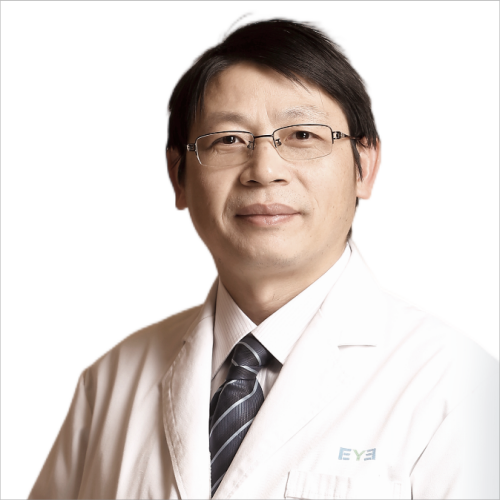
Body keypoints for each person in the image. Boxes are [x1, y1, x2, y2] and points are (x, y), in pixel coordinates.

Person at [29, 19, 498, 500]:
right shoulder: (111, 382)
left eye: (303, 135)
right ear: (178, 175)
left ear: (365, 165)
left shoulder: (461, 392)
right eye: (228, 140)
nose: (264, 170)